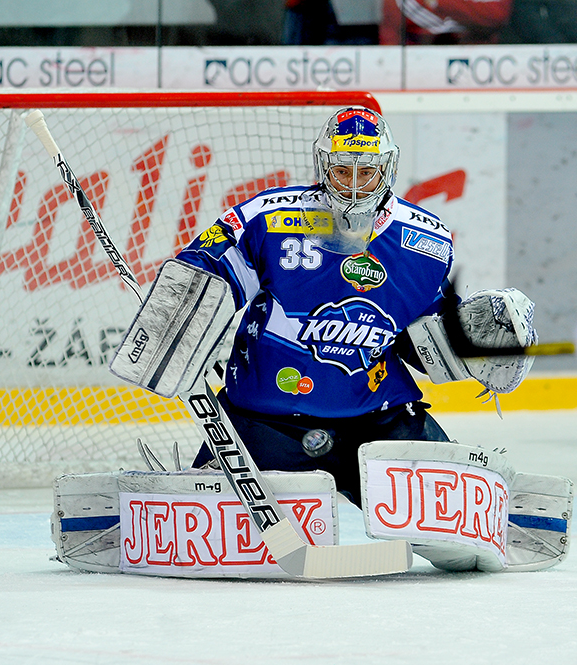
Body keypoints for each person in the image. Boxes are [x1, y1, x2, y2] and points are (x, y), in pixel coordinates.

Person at [171, 106, 536, 506]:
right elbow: (206, 268)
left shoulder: (426, 242)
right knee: (214, 529)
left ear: (387, 169)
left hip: (379, 422)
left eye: (367, 172)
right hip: (265, 423)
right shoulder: (270, 219)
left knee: (460, 520)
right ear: (324, 167)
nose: (354, 186)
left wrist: (473, 347)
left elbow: (423, 342)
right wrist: (177, 312)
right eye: (343, 171)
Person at [379, 0, 512, 44]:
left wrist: (439, 3)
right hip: (421, 69)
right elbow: (390, 39)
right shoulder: (398, 3)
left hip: (484, 64)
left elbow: (497, 15)